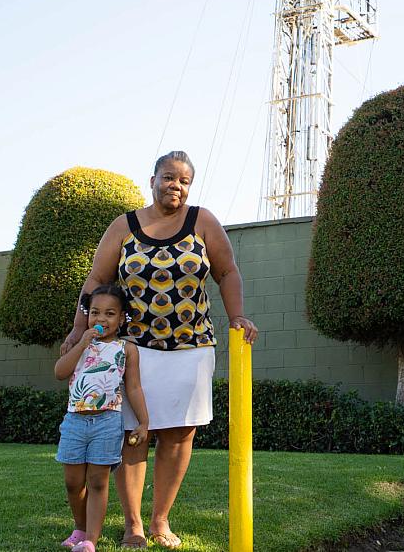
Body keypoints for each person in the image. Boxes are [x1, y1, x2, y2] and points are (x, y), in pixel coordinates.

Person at [61, 150, 258, 550]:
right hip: (134, 349)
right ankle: (133, 525)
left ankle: (160, 522)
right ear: (152, 180)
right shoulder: (124, 226)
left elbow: (226, 271)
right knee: (134, 435)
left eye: (184, 181)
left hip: (192, 347)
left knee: (179, 435)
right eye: (169, 178)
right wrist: (79, 328)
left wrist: (238, 316)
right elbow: (97, 278)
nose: (177, 186)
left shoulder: (203, 221)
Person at [54, 283, 150, 552]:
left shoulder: (126, 349)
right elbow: (60, 373)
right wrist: (81, 342)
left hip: (107, 422)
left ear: (121, 319)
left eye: (110, 314)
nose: (101, 319)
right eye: (95, 312)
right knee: (73, 483)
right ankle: (80, 527)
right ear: (87, 316)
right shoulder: (78, 344)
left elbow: (133, 387)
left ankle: (90, 541)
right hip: (75, 421)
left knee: (98, 481)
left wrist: (144, 422)